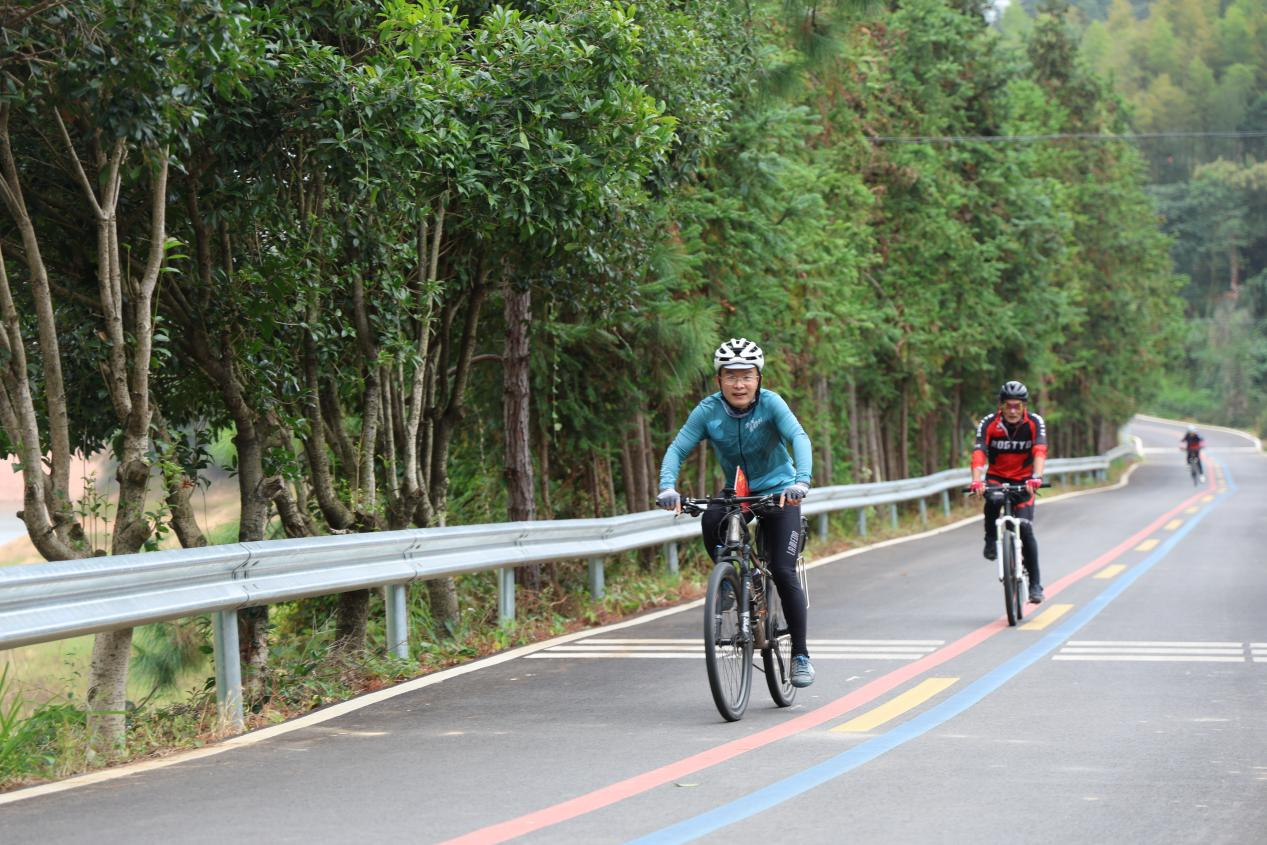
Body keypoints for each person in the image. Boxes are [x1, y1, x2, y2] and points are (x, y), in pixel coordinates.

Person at [656, 338, 816, 687]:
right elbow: (677, 448)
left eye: (746, 376)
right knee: (712, 518)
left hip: (779, 491)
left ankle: (801, 655)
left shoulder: (772, 404)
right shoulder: (708, 410)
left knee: (784, 571)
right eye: (731, 376)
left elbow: (799, 437)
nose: (739, 384)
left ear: (758, 378)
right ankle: (731, 576)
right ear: (719, 380)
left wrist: (801, 482)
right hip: (740, 492)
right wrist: (668, 487)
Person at [968, 380, 1047, 604]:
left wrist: (1037, 478)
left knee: (1025, 527)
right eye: (1008, 406)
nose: (1013, 411)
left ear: (1024, 406)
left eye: (1017, 406)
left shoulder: (1034, 422)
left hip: (1024, 480)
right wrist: (976, 481)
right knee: (992, 499)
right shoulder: (989, 423)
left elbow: (1040, 450)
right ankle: (991, 539)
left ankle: (1035, 584)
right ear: (1001, 406)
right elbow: (979, 453)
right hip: (997, 478)